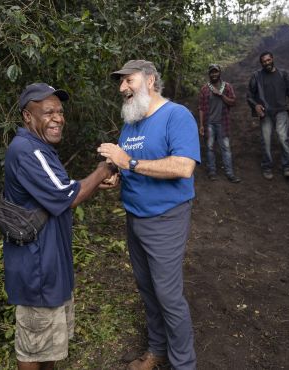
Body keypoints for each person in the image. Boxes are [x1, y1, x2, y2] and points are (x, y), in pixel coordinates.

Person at [3, 82, 118, 370]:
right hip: (37, 267)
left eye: (60, 111)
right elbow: (69, 196)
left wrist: (93, 182)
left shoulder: (40, 147)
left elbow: (63, 187)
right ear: (27, 117)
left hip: (50, 263)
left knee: (48, 342)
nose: (57, 118)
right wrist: (105, 168)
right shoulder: (29, 151)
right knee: (32, 347)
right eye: (47, 112)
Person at [97, 60, 200, 370]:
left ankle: (184, 365)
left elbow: (183, 167)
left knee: (168, 296)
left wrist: (127, 163)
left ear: (150, 80)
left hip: (166, 218)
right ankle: (156, 351)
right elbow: (132, 162)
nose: (122, 88)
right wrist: (116, 174)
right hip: (135, 218)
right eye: (121, 82)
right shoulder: (132, 122)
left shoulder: (176, 116)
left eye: (128, 80)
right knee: (147, 289)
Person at [247, 51, 289, 180]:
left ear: (272, 59)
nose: (266, 63)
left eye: (268, 60)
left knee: (283, 137)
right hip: (265, 112)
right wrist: (255, 105)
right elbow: (249, 95)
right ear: (261, 63)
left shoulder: (283, 74)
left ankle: (287, 166)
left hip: (281, 110)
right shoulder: (256, 76)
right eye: (264, 61)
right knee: (266, 140)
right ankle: (267, 166)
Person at [199, 63, 241, 183]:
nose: (214, 74)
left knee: (226, 148)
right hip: (209, 123)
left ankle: (230, 173)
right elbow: (201, 108)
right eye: (212, 72)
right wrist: (201, 125)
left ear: (219, 72)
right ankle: (212, 172)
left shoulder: (227, 87)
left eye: (216, 71)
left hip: (223, 123)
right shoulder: (205, 89)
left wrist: (221, 95)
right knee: (210, 147)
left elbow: (233, 102)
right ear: (209, 74)